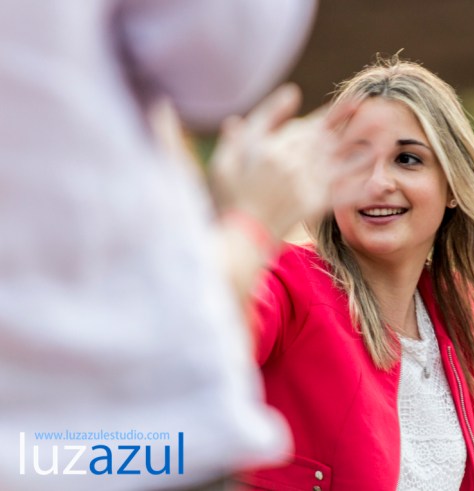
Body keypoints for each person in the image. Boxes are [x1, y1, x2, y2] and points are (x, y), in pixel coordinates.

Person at [0, 1, 369, 490]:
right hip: (129, 447)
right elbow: (219, 59)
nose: (378, 182)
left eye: (408, 159)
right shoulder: (298, 284)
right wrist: (253, 223)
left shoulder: (446, 323)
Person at [233, 58, 474, 491]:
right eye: (356, 158)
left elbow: (462, 472)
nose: (378, 182)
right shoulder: (287, 281)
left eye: (407, 159)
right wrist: (243, 221)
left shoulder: (452, 312)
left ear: (453, 186)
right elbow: (204, 341)